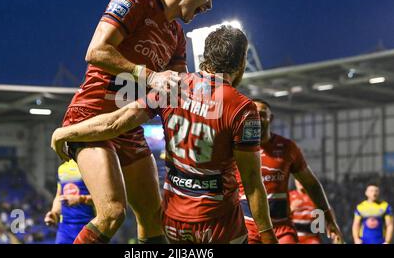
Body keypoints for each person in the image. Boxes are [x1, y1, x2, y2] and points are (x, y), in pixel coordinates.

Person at [52, 26, 278, 244]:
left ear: (204, 57)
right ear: (241, 64)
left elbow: (117, 122)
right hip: (218, 222)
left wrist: (66, 132)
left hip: (174, 222)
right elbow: (251, 182)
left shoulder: (172, 88)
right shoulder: (242, 108)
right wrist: (267, 234)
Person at [61, 0, 215, 244]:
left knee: (153, 216)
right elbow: (96, 51)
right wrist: (148, 75)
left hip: (128, 124)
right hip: (92, 115)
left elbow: (176, 88)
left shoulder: (177, 35)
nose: (209, 6)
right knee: (112, 213)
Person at [236, 99, 343, 244]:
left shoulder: (287, 148)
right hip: (248, 228)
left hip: (281, 228)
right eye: (252, 114)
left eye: (261, 114)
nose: (257, 118)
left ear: (270, 118)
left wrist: (329, 218)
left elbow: (311, 184)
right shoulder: (235, 147)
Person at [44, 160, 95, 244]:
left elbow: (104, 198)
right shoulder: (62, 168)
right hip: (65, 229)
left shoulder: (91, 165)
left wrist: (80, 199)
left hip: (89, 226)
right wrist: (54, 213)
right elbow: (59, 196)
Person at [289, 179, 321, 244]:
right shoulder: (289, 196)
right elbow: (279, 219)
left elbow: (328, 213)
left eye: (301, 178)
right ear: (295, 181)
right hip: (293, 239)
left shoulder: (315, 197)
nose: (300, 181)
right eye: (297, 179)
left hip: (311, 239)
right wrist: (290, 209)